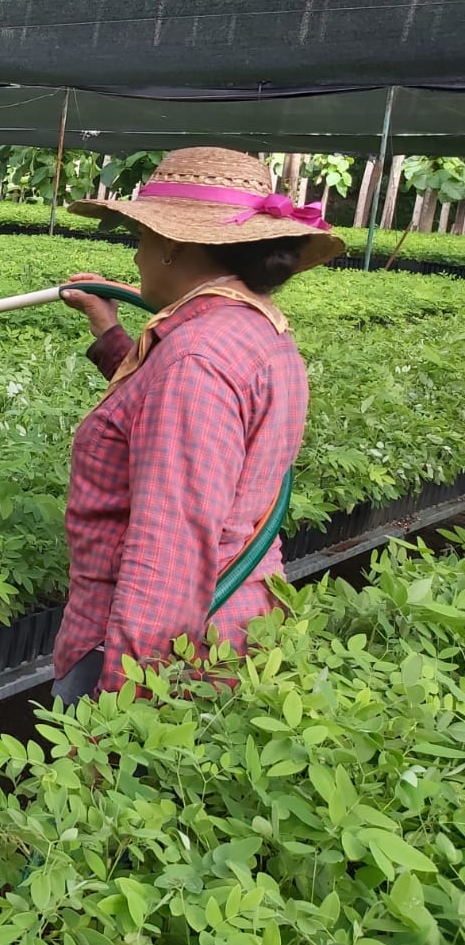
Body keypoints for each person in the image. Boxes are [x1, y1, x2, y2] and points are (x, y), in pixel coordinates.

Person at [51, 147, 344, 704]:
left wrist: (124, 711)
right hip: (235, 628)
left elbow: (169, 553)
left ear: (173, 245)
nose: (136, 255)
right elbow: (166, 415)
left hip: (154, 652)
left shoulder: (195, 359)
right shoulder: (254, 330)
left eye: (141, 238)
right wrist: (108, 330)